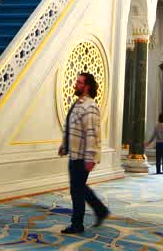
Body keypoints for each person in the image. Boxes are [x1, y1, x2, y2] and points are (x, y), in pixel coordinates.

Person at [57, 71, 109, 235]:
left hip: (82, 157)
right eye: (76, 81)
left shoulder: (90, 107)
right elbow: (71, 128)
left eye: (79, 82)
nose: (76, 84)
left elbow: (92, 134)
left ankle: (77, 224)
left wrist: (90, 157)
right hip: (74, 154)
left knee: (77, 190)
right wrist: (64, 146)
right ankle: (100, 210)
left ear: (86, 86)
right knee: (79, 188)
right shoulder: (78, 104)